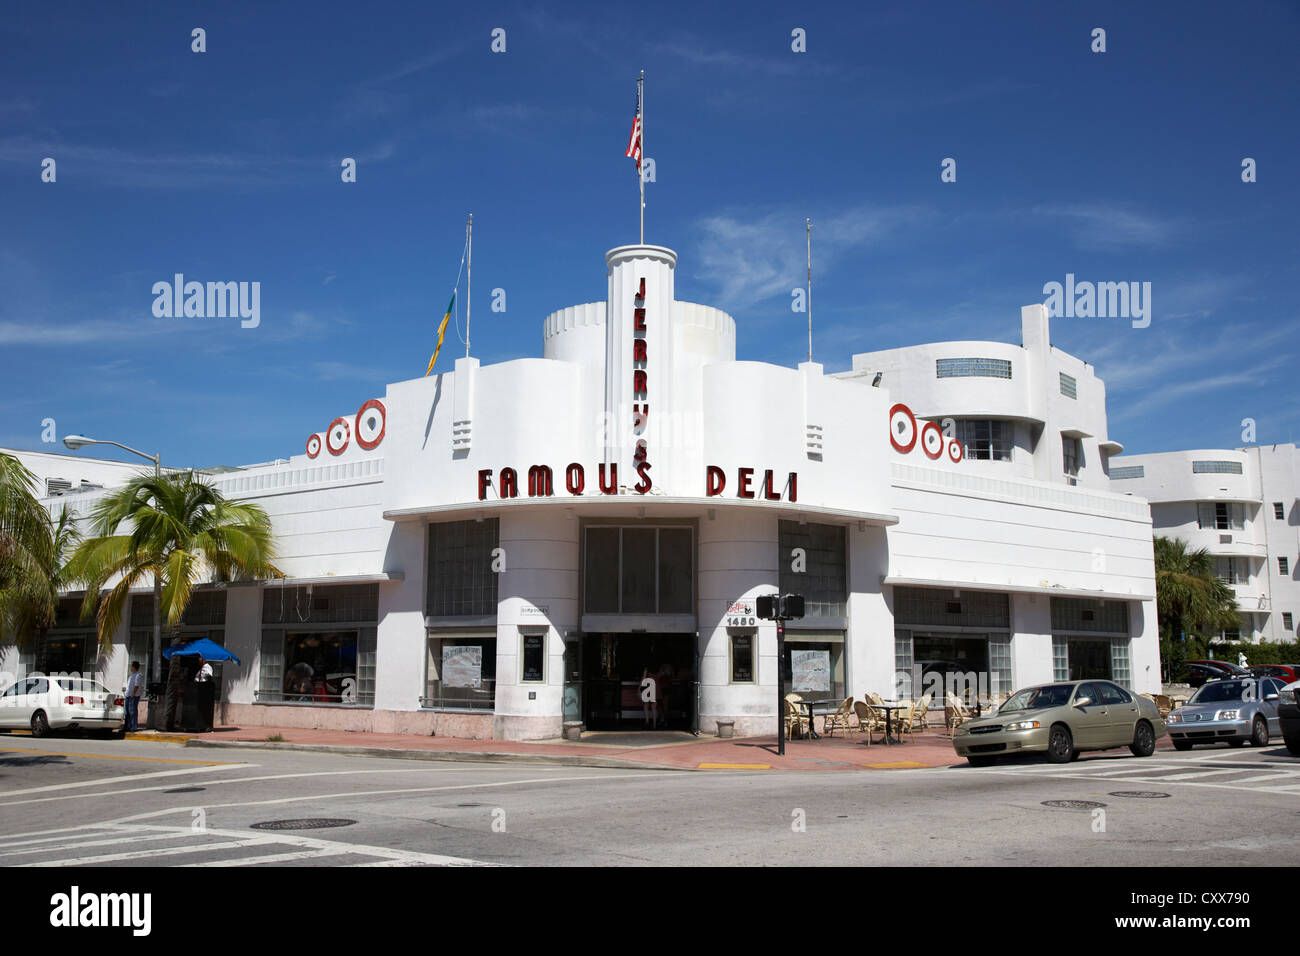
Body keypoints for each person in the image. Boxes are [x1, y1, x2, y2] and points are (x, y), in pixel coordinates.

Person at [193, 656, 215, 733]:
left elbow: (209, 676)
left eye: (200, 658)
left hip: (203, 689)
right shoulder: (201, 668)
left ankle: (206, 726)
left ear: (204, 660)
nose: (199, 660)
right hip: (197, 689)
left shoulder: (207, 667)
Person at [123, 661, 142, 732]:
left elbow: (137, 686)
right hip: (128, 695)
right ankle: (127, 726)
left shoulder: (138, 675)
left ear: (134, 667)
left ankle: (133, 727)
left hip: (133, 696)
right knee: (127, 712)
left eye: (131, 666)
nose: (130, 667)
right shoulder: (131, 676)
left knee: (132, 711)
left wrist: (133, 694)